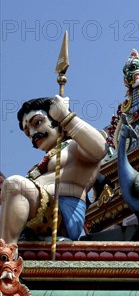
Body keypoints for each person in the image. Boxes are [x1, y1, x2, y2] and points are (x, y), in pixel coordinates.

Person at [0, 96, 106, 249]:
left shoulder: (74, 146)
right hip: (39, 214)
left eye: (37, 123)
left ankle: (6, 256)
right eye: (28, 132)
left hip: (63, 215)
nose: (33, 134)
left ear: (55, 119)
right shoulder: (44, 162)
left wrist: (65, 116)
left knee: (16, 184)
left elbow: (100, 148)